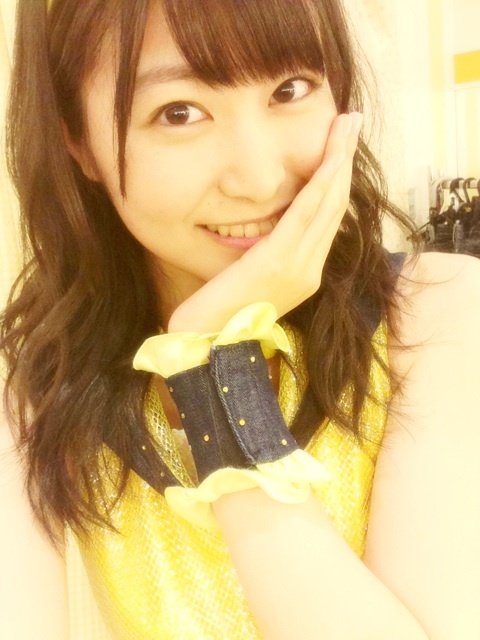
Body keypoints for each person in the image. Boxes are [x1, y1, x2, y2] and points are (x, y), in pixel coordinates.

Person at [1, 0, 479, 638]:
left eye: (290, 89)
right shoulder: (35, 389)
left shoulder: (437, 314)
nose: (258, 179)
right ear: (79, 142)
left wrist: (214, 367)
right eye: (179, 112)